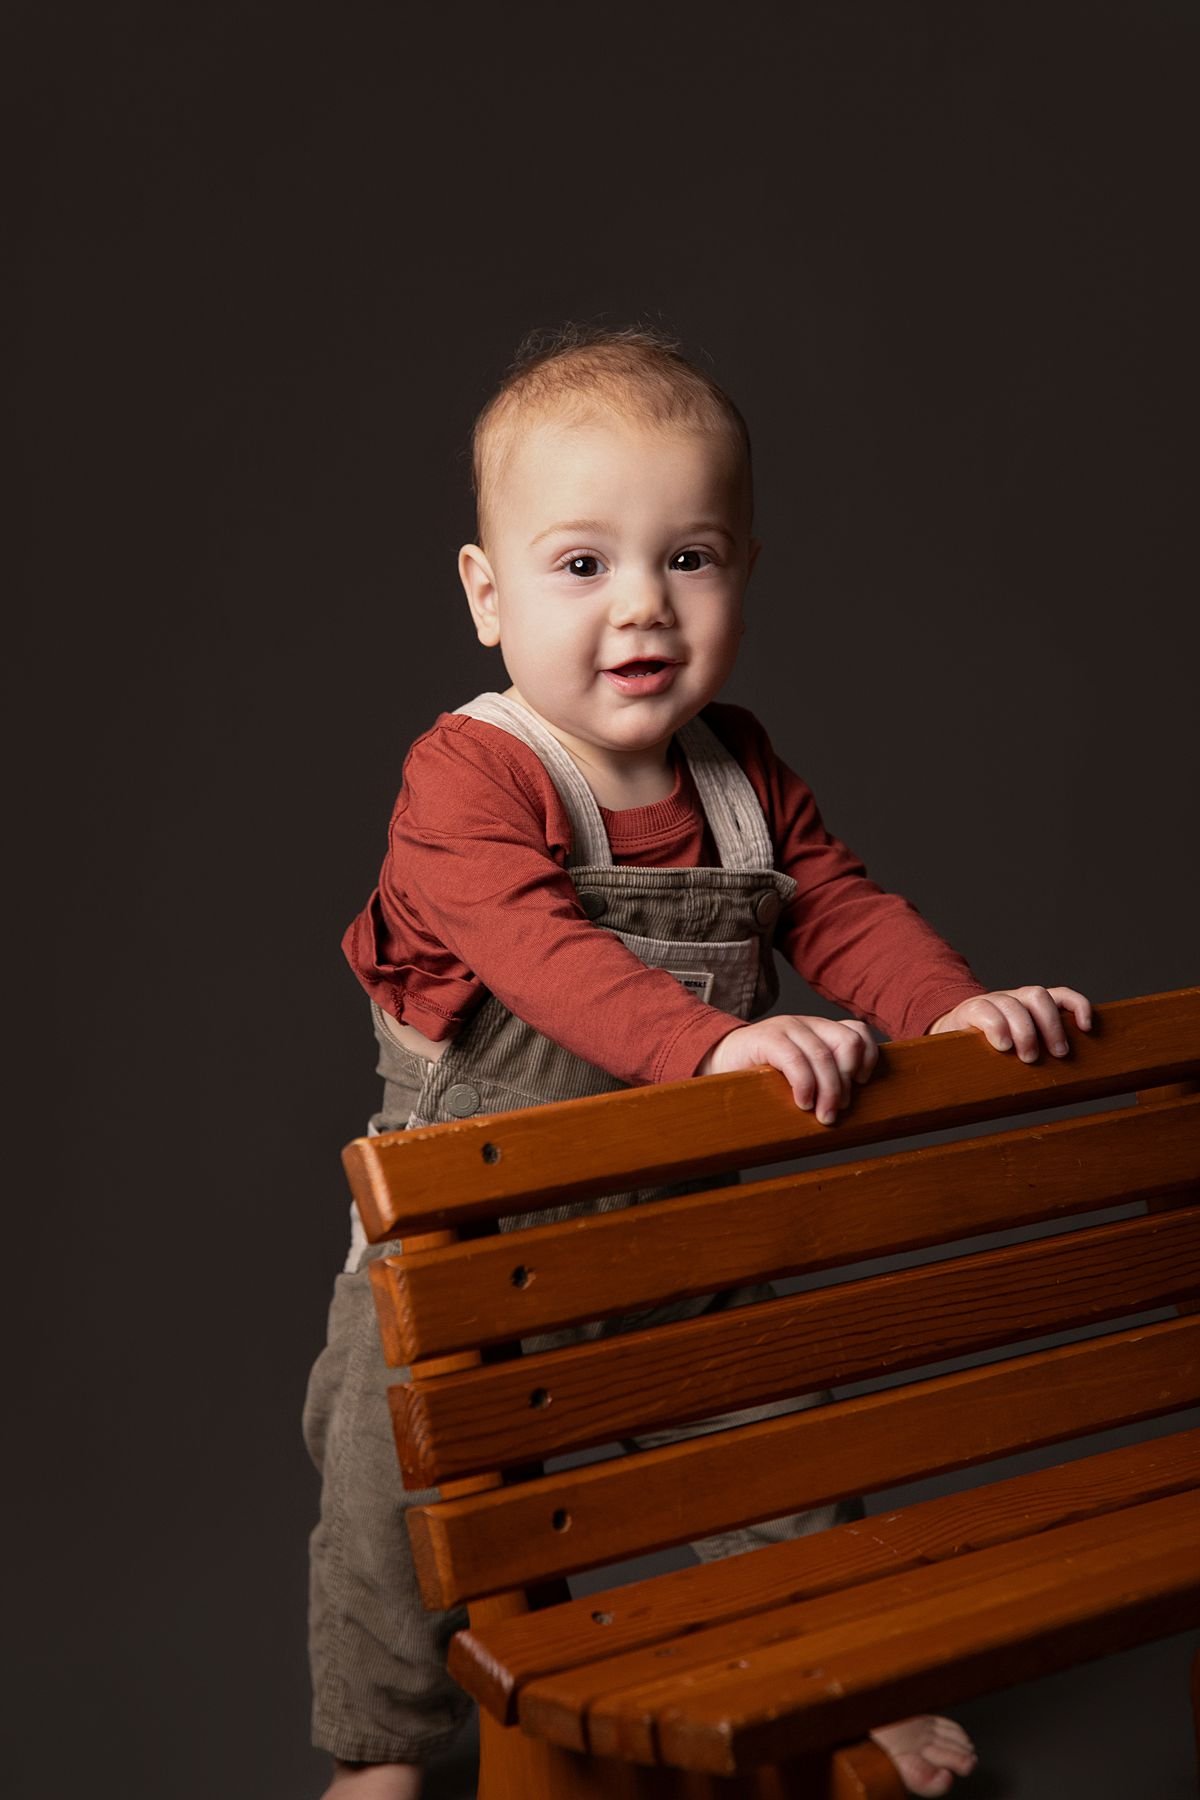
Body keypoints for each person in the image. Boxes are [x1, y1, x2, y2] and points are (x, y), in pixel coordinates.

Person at [304, 322, 1093, 1800]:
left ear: (743, 572)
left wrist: (952, 1014)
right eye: (583, 563)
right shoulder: (469, 774)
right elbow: (543, 957)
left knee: (784, 1442)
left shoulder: (737, 768)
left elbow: (842, 909)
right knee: (384, 1474)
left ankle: (836, 1678)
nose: (642, 607)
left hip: (679, 1230)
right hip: (462, 1249)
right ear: (488, 594)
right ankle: (382, 1755)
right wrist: (725, 1045)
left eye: (693, 557)